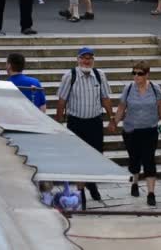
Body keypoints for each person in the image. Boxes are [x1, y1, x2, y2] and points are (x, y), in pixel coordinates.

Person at [55, 47, 114, 209]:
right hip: (76, 123)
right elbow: (62, 101)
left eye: (90, 58)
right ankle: (81, 192)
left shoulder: (99, 75)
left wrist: (112, 118)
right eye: (83, 58)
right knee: (79, 158)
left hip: (94, 122)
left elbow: (105, 98)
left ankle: (91, 182)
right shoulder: (70, 76)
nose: (87, 61)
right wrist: (58, 122)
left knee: (96, 156)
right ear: (78, 59)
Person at [112, 61, 161, 205]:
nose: (136, 76)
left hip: (150, 130)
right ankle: (135, 183)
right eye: (134, 73)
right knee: (134, 159)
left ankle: (151, 194)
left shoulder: (156, 89)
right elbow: (121, 108)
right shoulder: (129, 88)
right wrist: (114, 122)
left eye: (140, 73)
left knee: (149, 159)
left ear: (147, 74)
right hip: (131, 130)